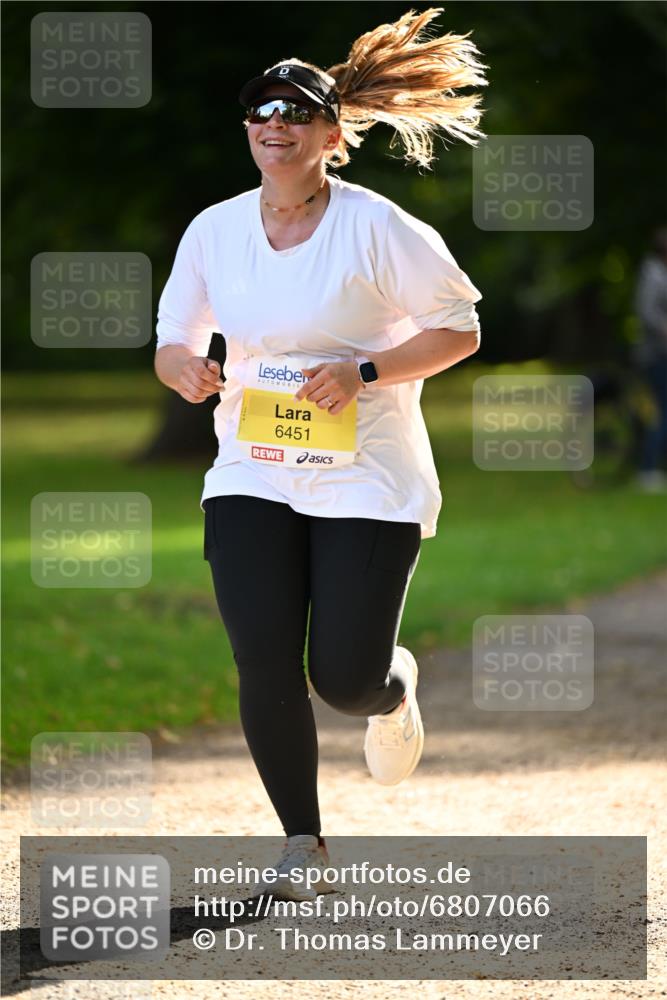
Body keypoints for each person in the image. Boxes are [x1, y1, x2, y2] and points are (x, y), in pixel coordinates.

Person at [154, 8, 487, 900]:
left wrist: (365, 368)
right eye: (260, 114)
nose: (274, 125)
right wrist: (186, 369)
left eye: (293, 114)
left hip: (367, 477)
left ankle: (391, 687)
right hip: (252, 466)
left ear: (331, 136)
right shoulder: (215, 229)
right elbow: (176, 337)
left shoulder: (378, 228)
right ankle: (302, 841)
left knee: (341, 679)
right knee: (262, 654)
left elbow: (460, 330)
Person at [633, 226, 667, 492]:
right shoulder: (653, 274)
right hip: (656, 354)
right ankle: (648, 469)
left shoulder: (659, 273)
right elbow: (646, 312)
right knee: (661, 410)